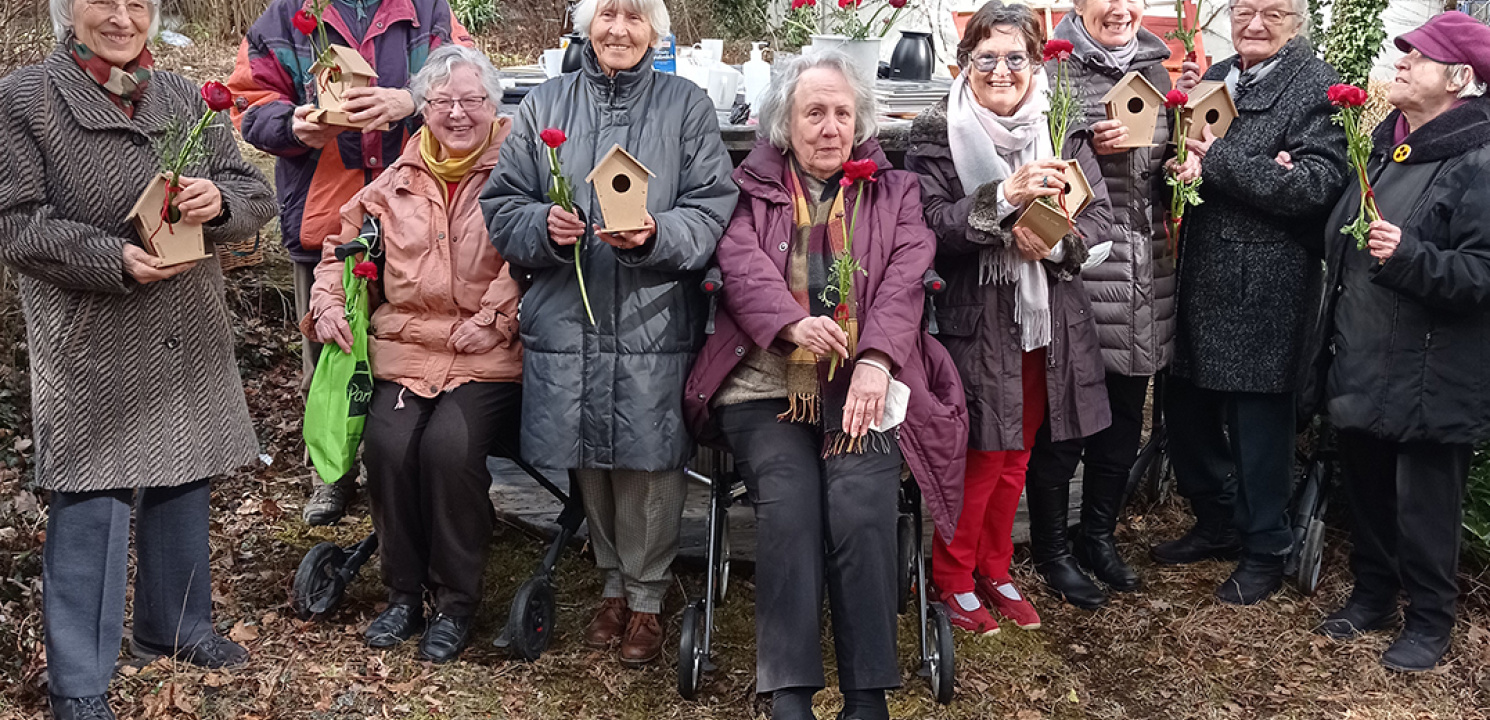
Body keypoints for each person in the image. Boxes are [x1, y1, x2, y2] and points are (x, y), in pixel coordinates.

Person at [0, 0, 276, 716]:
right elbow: (15, 221)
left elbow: (253, 192)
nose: (123, 19)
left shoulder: (183, 94)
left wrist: (219, 204)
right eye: (104, 2)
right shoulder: (27, 96)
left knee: (183, 472)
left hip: (186, 320)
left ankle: (174, 626)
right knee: (92, 496)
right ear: (69, 11)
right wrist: (109, 257)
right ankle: (81, 682)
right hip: (91, 328)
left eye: (138, 5)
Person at [682, 52, 967, 720]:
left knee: (861, 508)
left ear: (860, 120)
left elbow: (905, 280)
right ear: (786, 122)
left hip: (864, 388)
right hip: (765, 386)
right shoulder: (748, 190)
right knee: (790, 507)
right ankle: (790, 690)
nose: (829, 126)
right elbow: (740, 267)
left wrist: (875, 358)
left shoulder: (895, 193)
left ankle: (867, 693)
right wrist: (790, 324)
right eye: (814, 111)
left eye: (842, 112)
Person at [481, 0, 737, 667]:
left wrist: (655, 233)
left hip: (653, 311)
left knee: (649, 456)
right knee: (589, 450)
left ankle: (649, 595)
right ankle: (612, 584)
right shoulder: (544, 105)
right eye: (606, 14)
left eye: (633, 16)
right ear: (584, 26)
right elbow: (503, 202)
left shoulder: (686, 105)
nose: (619, 30)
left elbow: (713, 210)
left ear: (655, 30)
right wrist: (543, 226)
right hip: (571, 308)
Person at [304, 45, 517, 664]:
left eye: (471, 101)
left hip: (486, 354)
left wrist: (496, 318)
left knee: (449, 448)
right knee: (390, 444)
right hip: (405, 352)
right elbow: (338, 255)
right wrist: (330, 307)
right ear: (422, 109)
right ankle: (402, 593)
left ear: (492, 106)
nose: (456, 113)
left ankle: (456, 602)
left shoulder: (519, 175)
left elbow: (533, 260)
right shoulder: (391, 185)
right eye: (442, 101)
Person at [906, 0, 1113, 635]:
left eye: (1015, 58)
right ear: (963, 63)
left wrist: (1050, 243)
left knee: (1018, 454)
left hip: (1047, 322)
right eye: (986, 57)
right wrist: (1003, 200)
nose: (1002, 70)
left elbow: (1099, 220)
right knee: (978, 454)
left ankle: (995, 568)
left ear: (1034, 62)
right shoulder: (932, 134)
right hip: (974, 318)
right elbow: (929, 227)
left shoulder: (1061, 128)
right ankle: (952, 575)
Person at [228, 0, 471, 527]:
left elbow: (467, 73)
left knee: (413, 339)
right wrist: (292, 125)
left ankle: (411, 466)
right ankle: (332, 474)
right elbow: (247, 100)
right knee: (329, 350)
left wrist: (409, 99)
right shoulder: (287, 16)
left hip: (418, 214)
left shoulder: (427, 11)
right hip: (326, 214)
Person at [1305, 11, 1490, 673]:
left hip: (1431, 374)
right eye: (1403, 51)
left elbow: (1482, 273)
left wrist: (1411, 256)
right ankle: (1375, 596)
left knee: (1425, 509)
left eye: (1421, 55)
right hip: (1366, 356)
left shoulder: (1480, 160)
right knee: (1371, 492)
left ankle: (1432, 620)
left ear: (1460, 79)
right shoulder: (1385, 147)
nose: (1402, 61)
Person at [1149, 0, 1348, 606]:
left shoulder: (1316, 84)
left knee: (1260, 420)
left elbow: (1317, 184)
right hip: (1201, 270)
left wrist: (1223, 161)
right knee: (1185, 404)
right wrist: (1179, 169)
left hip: (1265, 283)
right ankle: (1215, 521)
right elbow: (1186, 162)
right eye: (1244, 11)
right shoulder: (1220, 76)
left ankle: (1266, 546)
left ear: (1298, 21)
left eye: (1274, 13)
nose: (1255, 24)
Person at [1021, 0, 1200, 610]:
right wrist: (1084, 142)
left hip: (1148, 273)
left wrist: (1182, 156)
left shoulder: (1156, 65)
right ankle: (1051, 549)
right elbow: (1033, 160)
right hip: (1085, 269)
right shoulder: (1052, 69)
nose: (1120, 8)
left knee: (1124, 422)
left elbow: (1166, 175)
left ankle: (1097, 536)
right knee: (1065, 425)